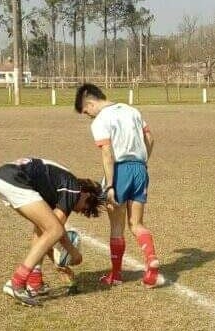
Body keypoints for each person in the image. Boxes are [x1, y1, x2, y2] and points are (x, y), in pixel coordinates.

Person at [74, 83, 165, 289]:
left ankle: (115, 275)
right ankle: (151, 259)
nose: (89, 116)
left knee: (117, 226)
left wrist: (110, 186)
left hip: (120, 170)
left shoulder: (101, 120)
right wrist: (142, 162)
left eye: (87, 112)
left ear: (90, 103)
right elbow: (150, 138)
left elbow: (107, 152)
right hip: (140, 169)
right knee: (137, 224)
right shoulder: (132, 110)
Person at [0, 157, 104, 306]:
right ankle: (16, 282)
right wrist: (73, 254)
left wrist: (60, 264)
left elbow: (46, 234)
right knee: (54, 229)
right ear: (87, 194)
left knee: (43, 228)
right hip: (14, 178)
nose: (79, 211)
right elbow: (56, 230)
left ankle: (34, 281)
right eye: (85, 208)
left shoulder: (57, 188)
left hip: (2, 177)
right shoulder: (73, 188)